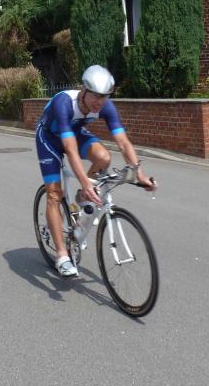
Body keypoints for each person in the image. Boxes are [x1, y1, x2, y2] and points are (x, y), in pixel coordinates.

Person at [35, 65, 158, 277]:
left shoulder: (106, 107)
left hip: (74, 132)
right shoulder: (64, 102)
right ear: (83, 90)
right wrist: (84, 182)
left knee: (104, 157)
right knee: (54, 194)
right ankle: (62, 255)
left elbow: (123, 143)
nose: (99, 102)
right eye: (95, 95)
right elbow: (71, 150)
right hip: (49, 139)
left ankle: (84, 197)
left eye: (105, 96)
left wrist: (140, 174)